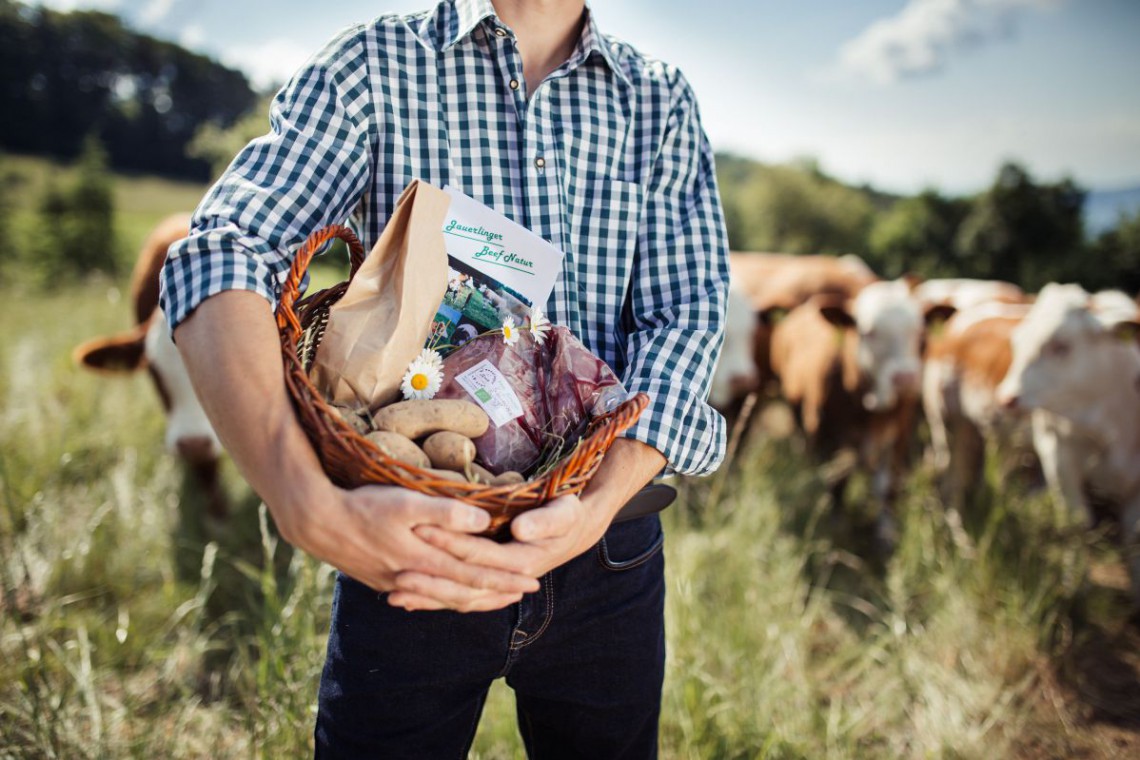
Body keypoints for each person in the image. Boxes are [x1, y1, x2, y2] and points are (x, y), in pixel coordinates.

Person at [160, 0, 729, 755]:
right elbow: (222, 252)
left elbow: (684, 318)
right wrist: (303, 505)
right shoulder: (374, 64)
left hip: (608, 553)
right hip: (409, 543)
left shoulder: (658, 99)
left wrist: (593, 507)